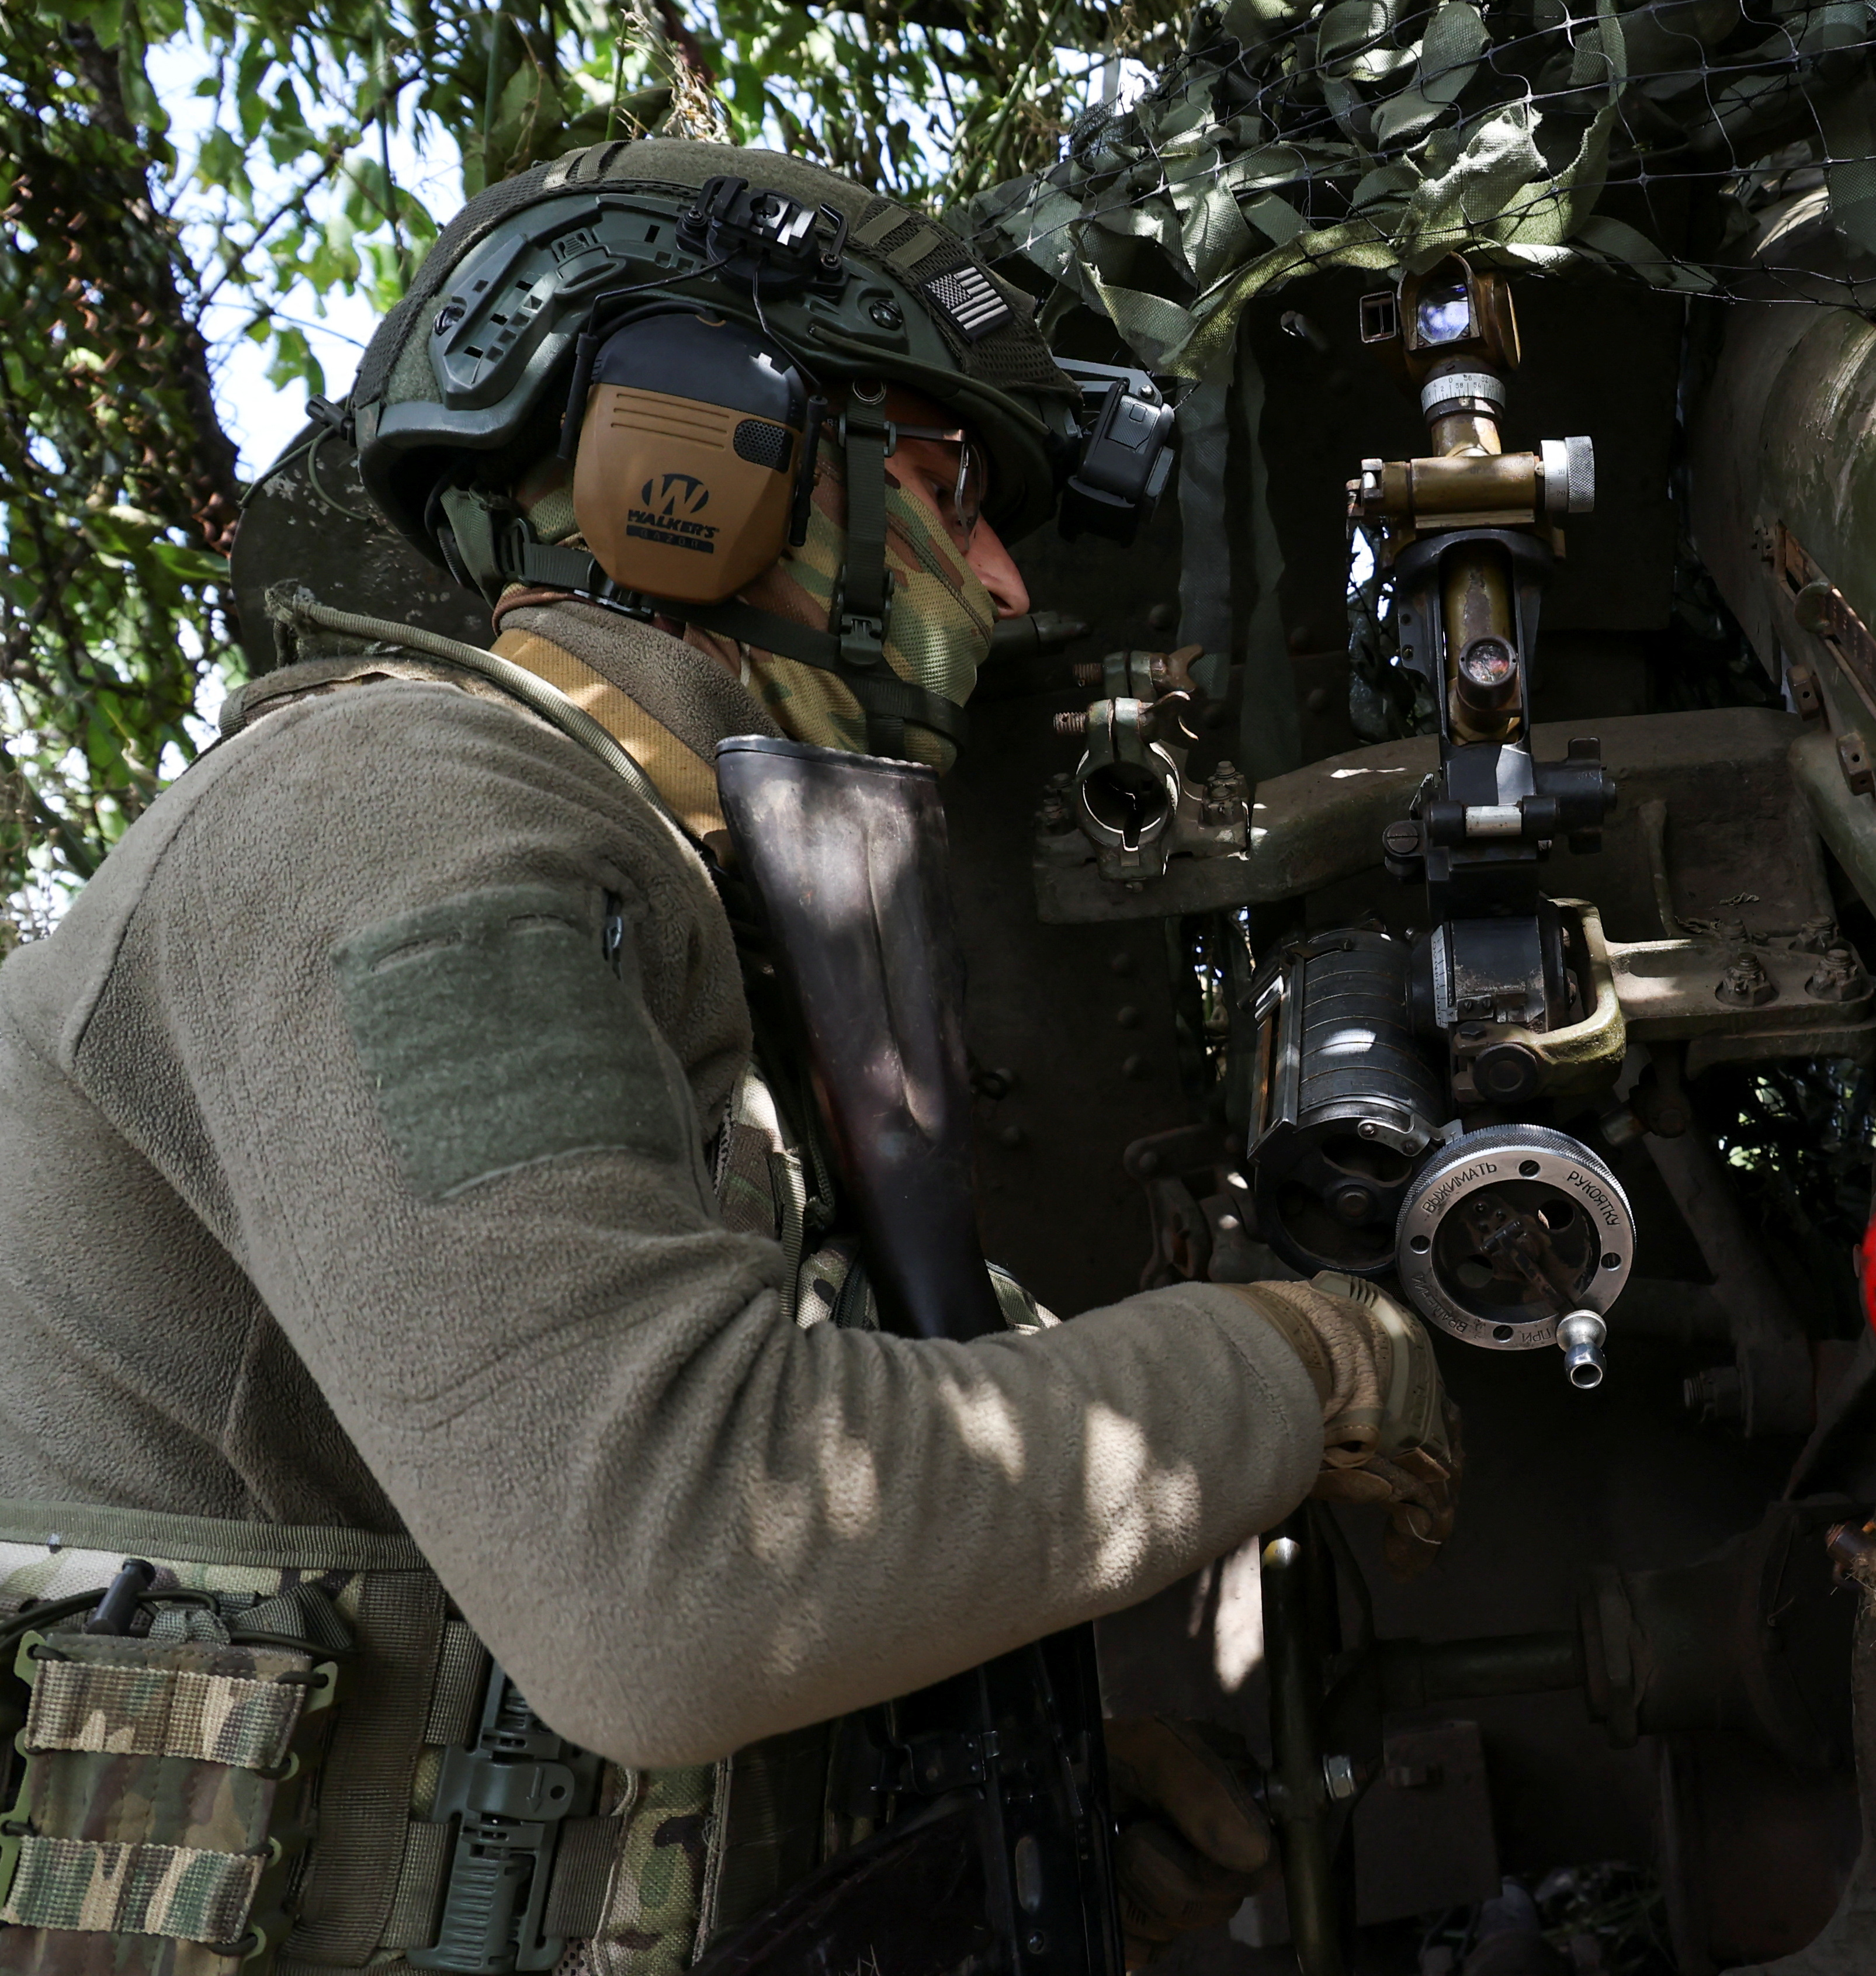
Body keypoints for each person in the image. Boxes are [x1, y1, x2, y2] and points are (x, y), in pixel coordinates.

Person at [0, 139, 1453, 1975]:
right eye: (952, 492)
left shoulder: (643, 879)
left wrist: (952, 1823)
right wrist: (1284, 1364)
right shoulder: (387, 822)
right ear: (691, 464)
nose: (1004, 591)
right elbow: (678, 1582)